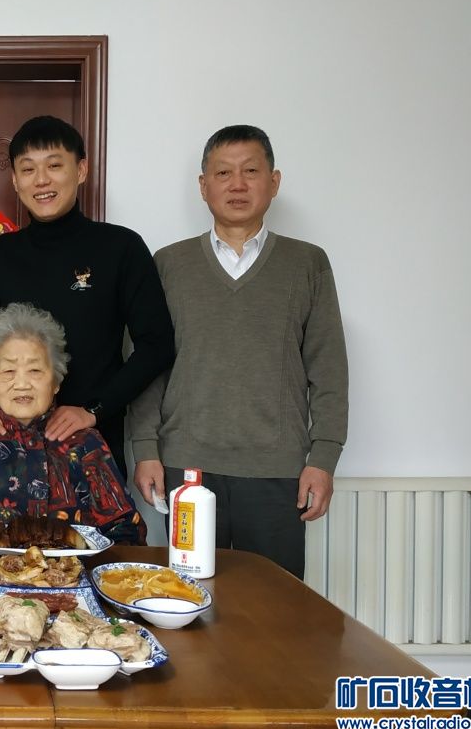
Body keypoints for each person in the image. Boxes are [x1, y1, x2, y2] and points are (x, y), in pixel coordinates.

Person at [129, 125, 349, 579]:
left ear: (274, 181)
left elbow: (328, 368)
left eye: (251, 171)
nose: (237, 184)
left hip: (276, 470)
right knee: (188, 600)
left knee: (273, 606)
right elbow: (148, 365)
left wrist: (324, 458)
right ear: (203, 185)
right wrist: (146, 448)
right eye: (223, 173)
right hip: (186, 469)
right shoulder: (169, 264)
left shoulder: (306, 263)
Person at [0, 116, 174, 477]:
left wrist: (94, 409)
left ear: (81, 170)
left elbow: (157, 344)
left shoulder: (121, 248)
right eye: (28, 169)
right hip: (8, 450)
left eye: (54, 166)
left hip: (94, 447)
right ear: (15, 180)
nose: (41, 180)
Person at [0, 303, 146, 544]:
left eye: (35, 370)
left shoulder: (85, 442)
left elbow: (125, 528)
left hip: (75, 568)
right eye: (8, 371)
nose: (22, 384)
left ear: (56, 382)